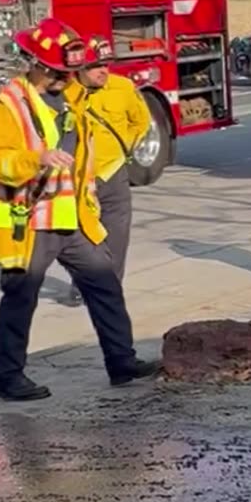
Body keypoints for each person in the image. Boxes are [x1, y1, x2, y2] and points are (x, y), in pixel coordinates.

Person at [0, 18, 157, 401]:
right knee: (20, 296)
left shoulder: (72, 93)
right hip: (31, 219)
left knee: (105, 284)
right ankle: (8, 377)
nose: (65, 79)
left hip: (70, 216)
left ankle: (122, 363)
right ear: (37, 65)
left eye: (69, 72)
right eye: (59, 73)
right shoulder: (10, 103)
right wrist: (36, 158)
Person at [62, 36, 151, 303]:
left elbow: (141, 121)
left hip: (113, 173)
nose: (103, 71)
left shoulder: (122, 88)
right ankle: (82, 283)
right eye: (95, 66)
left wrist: (124, 149)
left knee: (116, 235)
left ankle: (110, 287)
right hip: (78, 178)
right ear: (79, 69)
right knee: (81, 236)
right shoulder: (66, 94)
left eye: (106, 65)